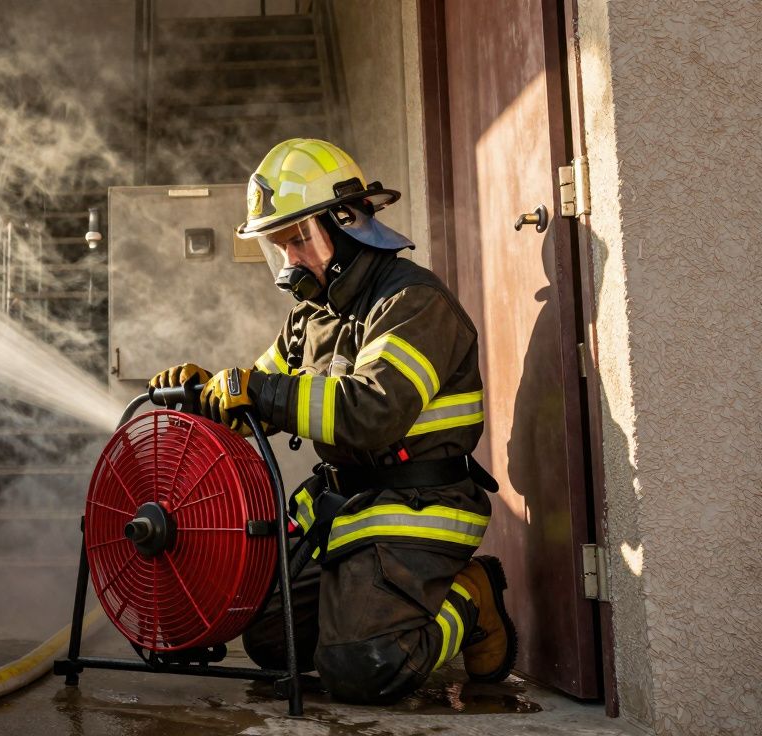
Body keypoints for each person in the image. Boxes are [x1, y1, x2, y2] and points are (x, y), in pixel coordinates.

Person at [149, 139, 516, 704]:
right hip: (344, 506)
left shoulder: (412, 302)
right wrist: (203, 396)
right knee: (273, 641)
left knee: (363, 668)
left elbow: (372, 412)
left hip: (419, 504)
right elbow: (258, 401)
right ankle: (364, 612)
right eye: (280, 246)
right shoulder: (312, 317)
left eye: (299, 239)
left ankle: (471, 597)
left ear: (347, 224)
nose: (290, 260)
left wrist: (260, 391)